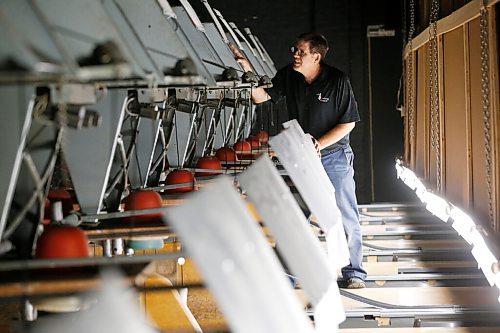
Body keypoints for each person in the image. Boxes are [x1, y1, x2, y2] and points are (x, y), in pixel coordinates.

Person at [230, 32, 367, 288]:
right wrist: (247, 71)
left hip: (334, 156)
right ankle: (286, 276)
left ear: (316, 56)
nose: (295, 54)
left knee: (344, 213)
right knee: (295, 215)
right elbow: (261, 97)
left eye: (301, 51)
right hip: (304, 157)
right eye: (295, 49)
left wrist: (319, 143)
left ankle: (354, 273)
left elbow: (348, 122)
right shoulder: (288, 75)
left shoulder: (337, 80)